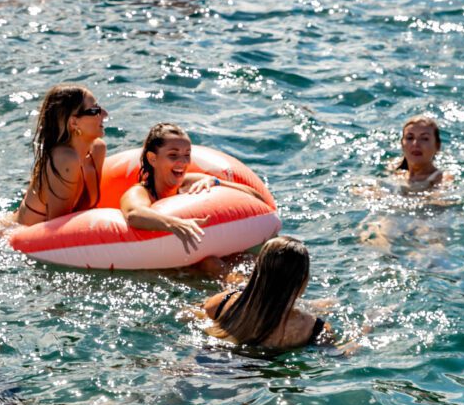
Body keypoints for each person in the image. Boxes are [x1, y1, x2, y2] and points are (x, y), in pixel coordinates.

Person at [120, 123, 264, 253]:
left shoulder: (191, 183)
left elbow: (258, 200)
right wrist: (175, 223)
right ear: (152, 158)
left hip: (201, 249)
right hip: (161, 257)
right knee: (210, 264)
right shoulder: (140, 192)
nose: (182, 162)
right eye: (173, 155)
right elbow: (134, 214)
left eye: (187, 155)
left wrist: (217, 182)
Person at [203, 236, 333, 349]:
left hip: (211, 360)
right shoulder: (313, 329)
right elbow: (339, 355)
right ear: (303, 278)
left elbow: (195, 317)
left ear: (257, 269)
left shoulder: (221, 303)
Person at [13, 84, 107, 226]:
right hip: (4, 237)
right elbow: (56, 231)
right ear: (74, 122)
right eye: (95, 111)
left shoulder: (97, 150)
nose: (105, 114)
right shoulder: (64, 159)